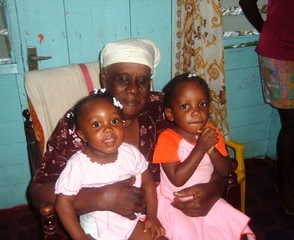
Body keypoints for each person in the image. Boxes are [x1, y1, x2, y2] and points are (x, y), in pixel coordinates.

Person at [28, 38, 226, 225]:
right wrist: (100, 197)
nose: (133, 90)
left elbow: (212, 154)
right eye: (123, 80)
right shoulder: (81, 122)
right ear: (105, 78)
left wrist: (214, 189)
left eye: (142, 81)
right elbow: (37, 192)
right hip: (103, 224)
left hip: (167, 213)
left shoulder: (166, 111)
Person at [153, 73, 255, 239]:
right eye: (185, 106)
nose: (196, 112)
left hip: (207, 198)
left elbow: (225, 170)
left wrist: (212, 150)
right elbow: (177, 179)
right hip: (176, 204)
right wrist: (200, 148)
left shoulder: (212, 133)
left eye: (202, 104)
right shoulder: (167, 139)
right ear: (170, 114)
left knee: (235, 233)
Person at [55, 89, 165, 240]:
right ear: (82, 135)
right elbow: (63, 204)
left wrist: (152, 217)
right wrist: (79, 236)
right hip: (96, 231)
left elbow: (148, 183)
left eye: (114, 121)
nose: (107, 128)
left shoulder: (130, 153)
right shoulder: (78, 165)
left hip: (130, 224)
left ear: (122, 124)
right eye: (96, 124)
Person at [239, 0, 294, 215]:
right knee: (291, 123)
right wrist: (266, 29)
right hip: (280, 52)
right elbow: (246, 2)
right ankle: (285, 188)